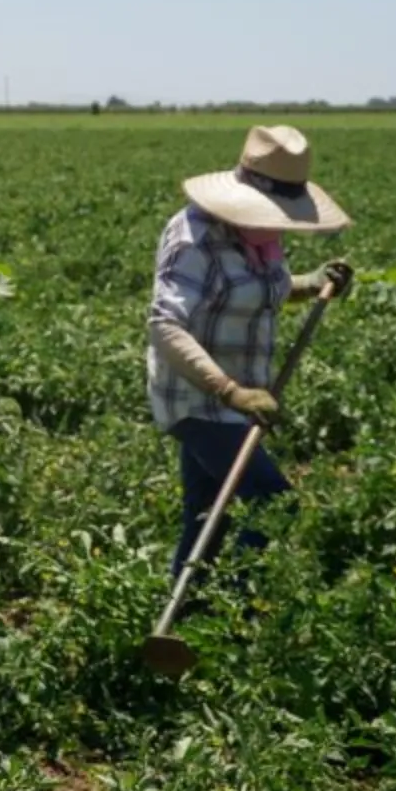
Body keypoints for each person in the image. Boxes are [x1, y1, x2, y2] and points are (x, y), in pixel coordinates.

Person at [147, 124, 356, 579]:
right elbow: (165, 325)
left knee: (206, 517)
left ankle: (185, 620)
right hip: (196, 399)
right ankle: (234, 609)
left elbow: (258, 292)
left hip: (234, 401)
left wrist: (309, 284)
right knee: (272, 499)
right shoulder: (194, 238)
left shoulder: (261, 241)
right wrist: (229, 390)